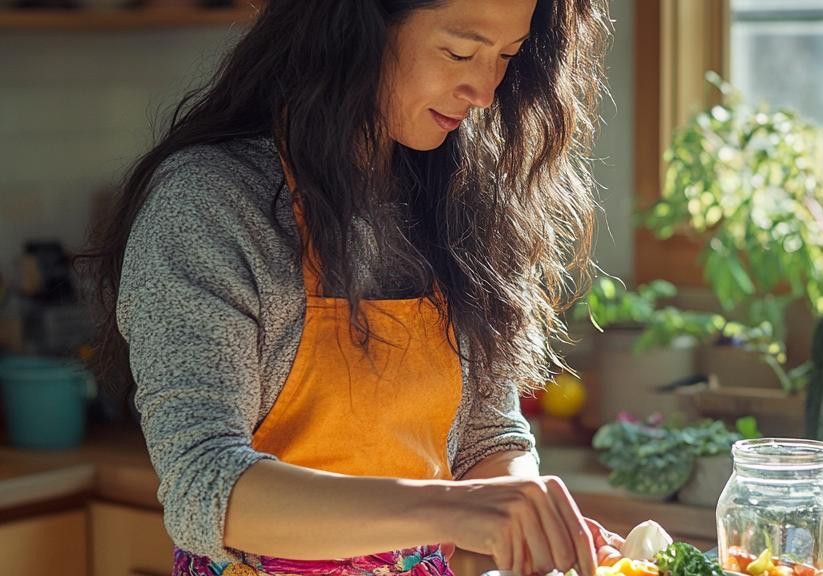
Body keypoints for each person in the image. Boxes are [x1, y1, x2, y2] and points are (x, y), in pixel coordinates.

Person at [83, 0, 619, 574]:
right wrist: (454, 509)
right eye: (460, 51)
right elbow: (204, 485)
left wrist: (522, 513)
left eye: (507, 57)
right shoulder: (210, 204)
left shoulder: (457, 198)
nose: (485, 91)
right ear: (355, 27)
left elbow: (488, 437)